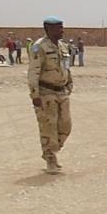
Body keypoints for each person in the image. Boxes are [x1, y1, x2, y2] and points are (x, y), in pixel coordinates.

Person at [28, 16, 74, 174]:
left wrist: (69, 84)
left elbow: (66, 68)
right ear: (48, 29)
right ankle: (50, 157)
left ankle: (53, 149)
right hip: (46, 93)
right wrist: (35, 95)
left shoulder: (63, 46)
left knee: (66, 125)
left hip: (62, 91)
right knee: (48, 126)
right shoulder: (39, 47)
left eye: (62, 27)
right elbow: (33, 72)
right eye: (58, 28)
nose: (62, 30)